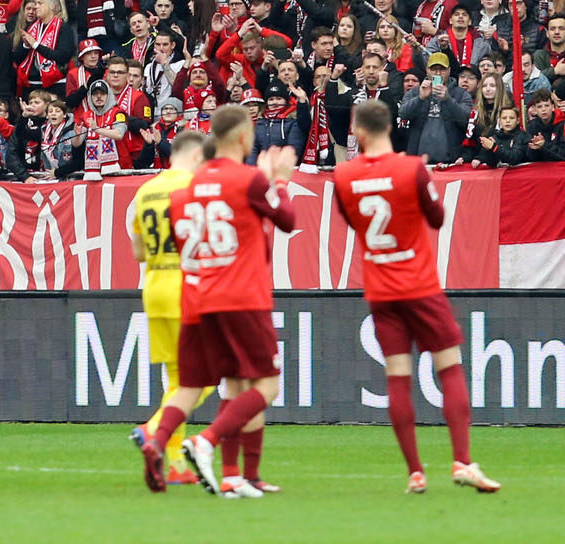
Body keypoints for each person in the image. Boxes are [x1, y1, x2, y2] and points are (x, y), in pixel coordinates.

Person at [332, 100, 500, 494]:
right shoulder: (410, 169)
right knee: (450, 368)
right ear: (390, 128)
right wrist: (421, 181)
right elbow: (437, 219)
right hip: (419, 285)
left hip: (380, 289)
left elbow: (351, 220)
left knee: (397, 378)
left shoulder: (344, 176)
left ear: (356, 132)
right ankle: (461, 461)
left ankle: (415, 472)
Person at [140, 105, 296, 498]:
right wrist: (278, 181)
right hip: (242, 296)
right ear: (244, 137)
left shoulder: (182, 190)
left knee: (214, 384)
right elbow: (288, 220)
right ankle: (206, 440)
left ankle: (218, 469)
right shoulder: (248, 179)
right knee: (266, 386)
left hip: (195, 297)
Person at [127, 128, 211, 485]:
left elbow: (138, 251)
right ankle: (153, 428)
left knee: (177, 379)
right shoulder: (193, 189)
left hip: (155, 285)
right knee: (205, 377)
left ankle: (174, 462)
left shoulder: (146, 189)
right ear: (195, 156)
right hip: (186, 285)